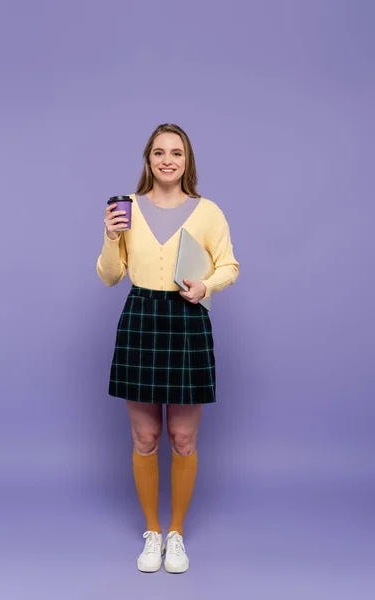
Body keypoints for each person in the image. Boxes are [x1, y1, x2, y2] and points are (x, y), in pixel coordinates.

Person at [96, 123, 239, 573]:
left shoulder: (208, 211)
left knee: (182, 438)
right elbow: (109, 275)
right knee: (145, 438)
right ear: (148, 160)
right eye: (159, 152)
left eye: (176, 152)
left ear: (186, 160)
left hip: (187, 318)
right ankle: (152, 531)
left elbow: (229, 265)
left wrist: (206, 285)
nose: (167, 160)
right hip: (140, 317)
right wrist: (109, 235)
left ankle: (176, 533)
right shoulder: (128, 209)